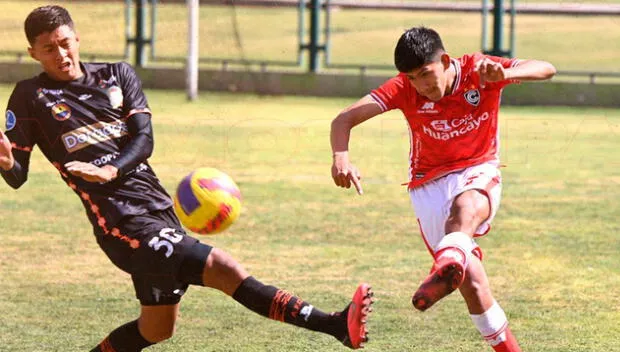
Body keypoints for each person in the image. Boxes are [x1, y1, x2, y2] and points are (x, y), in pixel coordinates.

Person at [0, 5, 373, 351]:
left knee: (157, 328)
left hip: (159, 211)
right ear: (33, 53)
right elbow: (17, 176)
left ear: (77, 38)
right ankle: (335, 325)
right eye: (49, 49)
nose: (61, 55)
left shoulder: (117, 74)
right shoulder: (31, 97)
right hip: (121, 223)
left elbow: (144, 140)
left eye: (65, 43)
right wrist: (5, 163)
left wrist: (110, 168)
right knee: (224, 268)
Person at [330, 26, 555, 351]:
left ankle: (447, 261)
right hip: (428, 186)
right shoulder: (404, 89)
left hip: (478, 168)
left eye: (425, 73)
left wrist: (507, 71)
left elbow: (546, 68)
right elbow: (343, 120)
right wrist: (341, 157)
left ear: (446, 60)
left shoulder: (478, 70)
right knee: (475, 286)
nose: (420, 85)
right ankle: (453, 266)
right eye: (411, 78)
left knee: (462, 212)